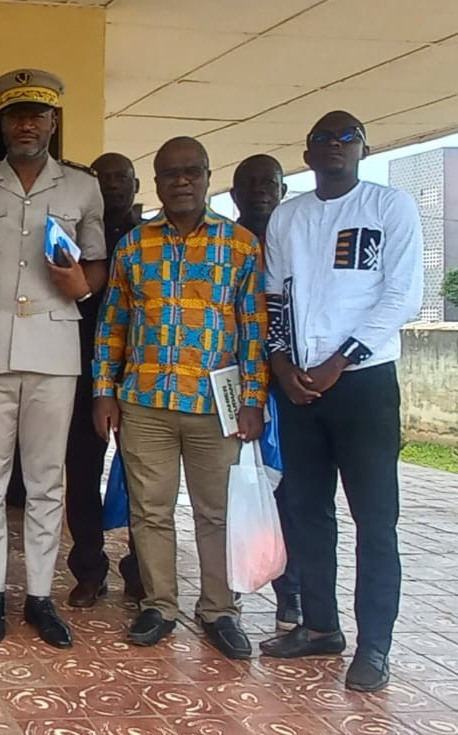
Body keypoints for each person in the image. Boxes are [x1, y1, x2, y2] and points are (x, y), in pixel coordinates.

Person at [259, 111, 424, 693]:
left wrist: (340, 361)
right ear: (307, 154)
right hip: (300, 385)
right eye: (323, 138)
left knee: (375, 519)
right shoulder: (288, 215)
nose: (334, 144)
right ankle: (320, 627)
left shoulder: (388, 207)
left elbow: (402, 296)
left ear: (363, 149)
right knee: (307, 511)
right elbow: (273, 293)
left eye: (346, 136)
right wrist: (282, 363)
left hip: (363, 383)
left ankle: (374, 644)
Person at [93, 136, 267, 660]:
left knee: (218, 512)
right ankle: (159, 605)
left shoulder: (240, 245)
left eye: (193, 171)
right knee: (150, 511)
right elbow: (112, 325)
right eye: (171, 173)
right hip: (145, 402)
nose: (183, 181)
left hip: (217, 405)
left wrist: (253, 399)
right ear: (158, 182)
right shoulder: (133, 246)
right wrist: (104, 391)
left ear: (209, 177)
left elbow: (253, 329)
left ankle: (220, 610)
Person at [0, 68, 106, 648]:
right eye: (17, 115)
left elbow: (96, 264)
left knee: (44, 480)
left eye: (37, 115)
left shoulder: (82, 187)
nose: (27, 125)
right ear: (3, 123)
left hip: (55, 349)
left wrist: (81, 286)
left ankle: (39, 596)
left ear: (53, 122)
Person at [63, 151, 144, 608]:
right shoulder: (73, 241)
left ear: (136, 185)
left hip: (140, 373)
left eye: (122, 177)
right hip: (81, 370)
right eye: (104, 178)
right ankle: (89, 570)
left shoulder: (151, 237)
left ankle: (141, 569)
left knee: (144, 478)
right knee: (82, 474)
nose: (113, 184)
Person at [230, 153, 301, 632]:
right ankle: (229, 587)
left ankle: (290, 592)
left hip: (287, 384)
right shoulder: (224, 243)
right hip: (231, 384)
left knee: (291, 493)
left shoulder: (295, 241)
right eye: (249, 183)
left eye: (268, 182)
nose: (259, 190)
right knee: (228, 488)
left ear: (282, 190)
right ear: (233, 193)